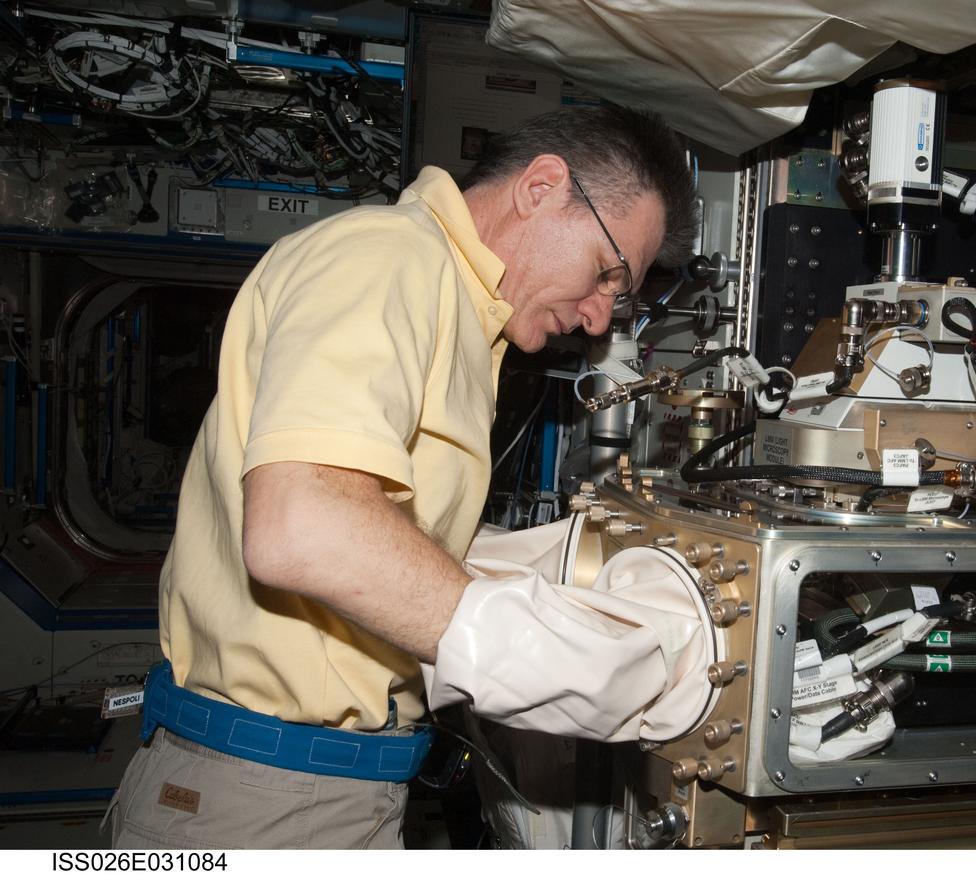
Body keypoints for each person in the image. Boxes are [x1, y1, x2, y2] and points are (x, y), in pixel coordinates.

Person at [104, 105, 699, 850]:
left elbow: (377, 516)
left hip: (326, 789)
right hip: (265, 800)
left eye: (622, 296)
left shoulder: (458, 310)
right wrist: (543, 658)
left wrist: (546, 570)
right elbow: (302, 526)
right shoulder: (386, 258)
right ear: (542, 186)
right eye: (608, 274)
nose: (597, 319)